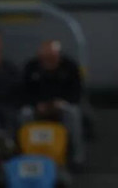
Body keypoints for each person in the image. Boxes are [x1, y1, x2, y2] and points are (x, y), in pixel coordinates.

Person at [21, 40, 85, 169]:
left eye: (52, 58)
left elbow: (76, 94)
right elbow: (23, 92)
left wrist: (61, 102)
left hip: (61, 105)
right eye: (45, 58)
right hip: (38, 106)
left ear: (58, 56)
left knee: (73, 113)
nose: (48, 62)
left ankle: (76, 157)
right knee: (24, 114)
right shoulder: (31, 67)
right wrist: (36, 104)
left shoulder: (70, 67)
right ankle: (25, 152)